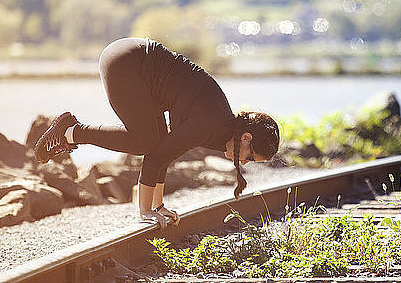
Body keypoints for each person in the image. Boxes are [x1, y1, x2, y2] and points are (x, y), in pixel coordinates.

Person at [33, 37, 280, 227]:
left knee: (153, 142)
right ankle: (71, 132)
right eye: (249, 156)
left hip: (136, 61)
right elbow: (156, 157)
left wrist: (159, 206)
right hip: (126, 63)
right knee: (147, 144)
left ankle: (71, 132)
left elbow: (166, 152)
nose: (244, 162)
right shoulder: (211, 125)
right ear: (246, 138)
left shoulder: (223, 132)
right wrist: (146, 213)